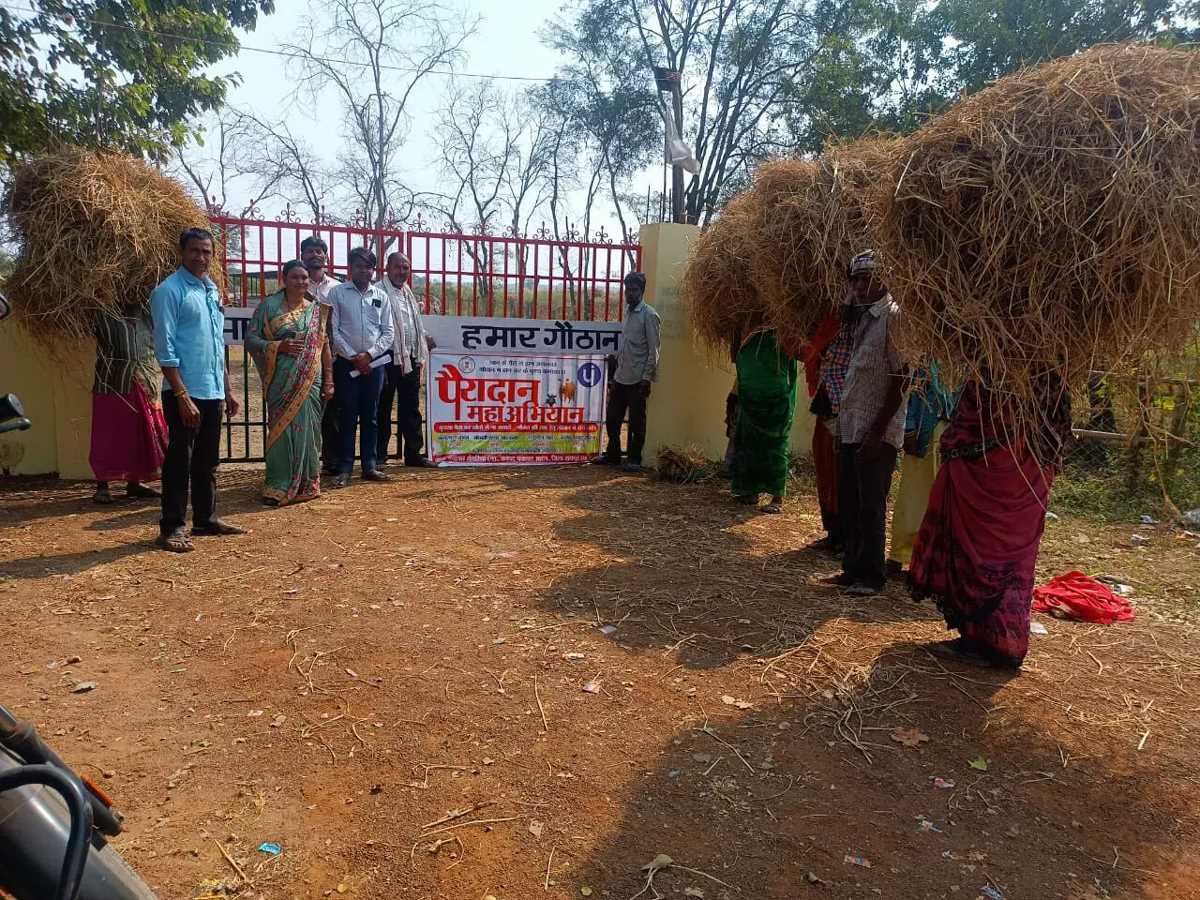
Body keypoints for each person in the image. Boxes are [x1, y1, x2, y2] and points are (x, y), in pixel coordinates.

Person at [911, 374, 1072, 669]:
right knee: (1015, 561)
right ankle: (1005, 640)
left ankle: (979, 641)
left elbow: (965, 432)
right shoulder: (1051, 380)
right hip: (1030, 480)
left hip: (987, 478)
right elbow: (1060, 436)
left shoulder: (990, 375)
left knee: (978, 553)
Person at [151, 228, 246, 552]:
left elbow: (217, 345)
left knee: (207, 462)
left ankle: (205, 519)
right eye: (195, 251)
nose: (201, 257)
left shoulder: (210, 290)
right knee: (179, 462)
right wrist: (181, 395)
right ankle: (172, 526)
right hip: (184, 394)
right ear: (182, 252)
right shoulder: (169, 291)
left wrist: (228, 390)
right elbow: (164, 348)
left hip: (212, 391)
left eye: (206, 252)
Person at [830, 250, 908, 597]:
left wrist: (878, 431)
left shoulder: (894, 316)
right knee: (849, 499)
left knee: (870, 502)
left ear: (883, 278)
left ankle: (872, 576)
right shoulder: (862, 316)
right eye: (856, 279)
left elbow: (901, 378)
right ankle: (852, 568)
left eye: (867, 278)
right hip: (853, 423)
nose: (860, 286)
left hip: (877, 429)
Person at [245, 260, 335, 506]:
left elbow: (325, 347)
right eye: (295, 277)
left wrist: (329, 380)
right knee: (280, 432)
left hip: (310, 381)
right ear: (284, 279)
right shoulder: (268, 307)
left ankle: (308, 483)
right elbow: (251, 340)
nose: (301, 282)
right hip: (281, 382)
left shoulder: (317, 310)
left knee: (310, 431)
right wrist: (276, 346)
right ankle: (278, 485)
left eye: (305, 277)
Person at [89, 303, 169, 504]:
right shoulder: (103, 313)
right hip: (113, 384)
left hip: (146, 382)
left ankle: (134, 483)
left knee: (140, 435)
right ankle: (103, 486)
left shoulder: (148, 315)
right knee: (108, 435)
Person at [328, 246, 394, 487]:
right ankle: (344, 468)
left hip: (374, 366)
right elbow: (332, 331)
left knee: (371, 416)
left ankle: (370, 466)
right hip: (347, 366)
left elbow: (388, 333)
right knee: (347, 416)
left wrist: (370, 354)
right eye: (359, 266)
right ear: (350, 268)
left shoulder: (381, 296)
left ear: (373, 269)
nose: (364, 271)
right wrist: (354, 356)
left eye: (368, 266)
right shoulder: (337, 293)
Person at [888, 364, 956, 572]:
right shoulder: (925, 357)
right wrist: (908, 427)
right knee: (913, 496)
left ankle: (931, 559)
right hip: (923, 433)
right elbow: (912, 390)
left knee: (942, 500)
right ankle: (901, 555)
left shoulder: (968, 358)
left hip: (951, 436)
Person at [593, 272, 660, 473]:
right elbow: (627, 344)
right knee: (613, 419)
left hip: (638, 378)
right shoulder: (628, 312)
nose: (630, 294)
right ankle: (613, 455)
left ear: (642, 291)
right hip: (621, 376)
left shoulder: (650, 315)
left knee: (637, 422)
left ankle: (634, 459)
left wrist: (647, 379)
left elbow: (654, 350)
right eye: (627, 289)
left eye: (634, 290)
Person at [377, 251, 436, 467]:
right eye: (397, 267)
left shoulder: (408, 292)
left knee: (411, 407)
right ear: (387, 269)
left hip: (410, 356)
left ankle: (413, 454)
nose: (402, 272)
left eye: (406, 268)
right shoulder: (378, 292)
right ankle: (379, 456)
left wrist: (423, 338)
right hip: (386, 357)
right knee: (382, 407)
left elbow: (413, 323)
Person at [730, 329, 798, 513]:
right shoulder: (747, 338)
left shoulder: (783, 336)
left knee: (775, 447)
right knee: (749, 445)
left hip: (776, 401)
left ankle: (777, 496)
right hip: (750, 399)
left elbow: (792, 373)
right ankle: (750, 491)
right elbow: (739, 364)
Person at [805, 309, 848, 552]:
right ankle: (832, 532)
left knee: (839, 472)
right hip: (826, 403)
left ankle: (843, 536)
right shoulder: (830, 324)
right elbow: (811, 354)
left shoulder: (859, 327)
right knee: (825, 467)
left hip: (844, 408)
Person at [300, 236, 343, 478]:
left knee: (332, 411)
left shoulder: (336, 287)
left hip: (332, 357)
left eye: (319, 251)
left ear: (326, 256)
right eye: (310, 251)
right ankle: (303, 460)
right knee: (303, 410)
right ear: (302, 255)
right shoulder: (295, 283)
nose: (315, 255)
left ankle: (331, 460)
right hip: (301, 358)